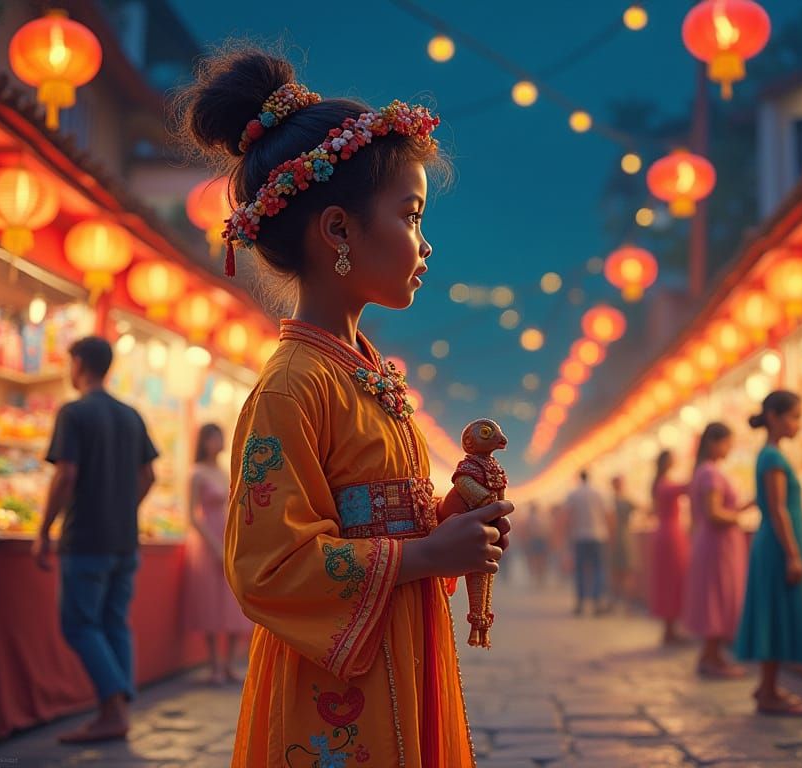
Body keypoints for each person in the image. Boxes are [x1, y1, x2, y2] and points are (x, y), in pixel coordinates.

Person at [177, 49, 512, 766]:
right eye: (411, 215)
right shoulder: (293, 385)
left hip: (397, 646)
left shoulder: (363, 372)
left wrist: (451, 520)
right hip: (337, 692)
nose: (425, 244)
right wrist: (425, 554)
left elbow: (377, 525)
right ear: (338, 231)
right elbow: (266, 566)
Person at [32, 336, 158, 743]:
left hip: (85, 538)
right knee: (113, 622)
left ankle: (112, 709)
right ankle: (118, 708)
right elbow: (149, 477)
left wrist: (43, 530)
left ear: (79, 363)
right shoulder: (130, 415)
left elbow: (65, 474)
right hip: (124, 540)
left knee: (80, 625)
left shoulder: (75, 412)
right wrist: (124, 508)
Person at [734, 390, 802, 716]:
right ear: (774, 417)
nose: (798, 423)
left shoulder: (771, 455)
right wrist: (793, 554)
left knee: (775, 611)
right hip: (777, 543)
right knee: (775, 611)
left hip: (775, 542)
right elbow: (778, 508)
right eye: (794, 416)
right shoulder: (772, 457)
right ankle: (768, 690)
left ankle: (768, 686)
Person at [184, 423, 253, 685]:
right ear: (205, 441)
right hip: (207, 541)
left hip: (227, 536)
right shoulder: (196, 473)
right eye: (215, 437)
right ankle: (214, 663)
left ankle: (230, 664)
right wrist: (213, 545)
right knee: (211, 601)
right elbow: (192, 515)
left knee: (232, 600)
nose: (219, 441)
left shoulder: (225, 471)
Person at [683, 422, 750, 678]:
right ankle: (711, 656)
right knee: (718, 596)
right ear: (714, 442)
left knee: (716, 595)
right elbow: (714, 513)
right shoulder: (710, 473)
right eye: (728, 443)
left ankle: (713, 655)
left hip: (712, 543)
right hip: (717, 545)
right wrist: (740, 514)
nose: (730, 448)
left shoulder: (702, 471)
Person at [649, 450, 689, 644]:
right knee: (672, 580)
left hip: (665, 533)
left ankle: (670, 628)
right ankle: (670, 628)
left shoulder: (659, 483)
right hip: (671, 535)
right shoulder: (665, 484)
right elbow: (686, 487)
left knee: (669, 580)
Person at [564, 469, 611, 615]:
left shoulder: (573, 494)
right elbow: (608, 514)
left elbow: (568, 516)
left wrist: (567, 534)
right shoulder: (599, 493)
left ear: (579, 478)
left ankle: (581, 603)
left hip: (579, 536)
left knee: (580, 570)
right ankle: (597, 602)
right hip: (598, 535)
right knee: (598, 569)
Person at [609, 475, 636, 610]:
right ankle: (626, 604)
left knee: (619, 572)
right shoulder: (623, 500)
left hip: (618, 538)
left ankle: (620, 603)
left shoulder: (613, 501)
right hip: (623, 537)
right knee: (624, 572)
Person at [522, 501, 551, 588]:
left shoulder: (529, 518)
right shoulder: (542, 518)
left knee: (534, 559)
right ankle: (540, 577)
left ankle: (536, 577)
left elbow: (526, 531)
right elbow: (546, 530)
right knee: (541, 559)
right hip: (540, 539)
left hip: (533, 540)